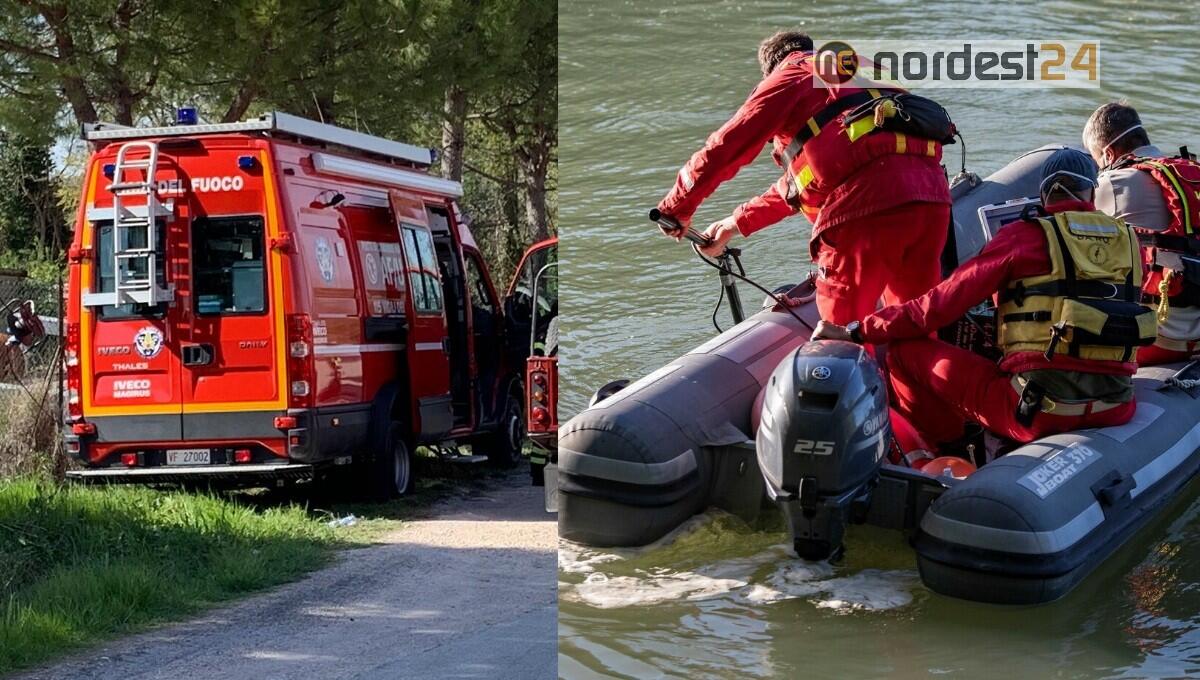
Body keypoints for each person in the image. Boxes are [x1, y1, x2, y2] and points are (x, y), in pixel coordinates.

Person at [812, 149, 1154, 447]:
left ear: (1044, 195)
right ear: (1092, 193)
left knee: (904, 352)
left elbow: (937, 307)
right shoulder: (1131, 243)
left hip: (1037, 413)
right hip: (1117, 406)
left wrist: (856, 330)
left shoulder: (1024, 236)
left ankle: (945, 448)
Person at [653, 30, 951, 325]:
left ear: (770, 70)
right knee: (912, 328)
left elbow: (726, 146)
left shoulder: (790, 73)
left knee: (839, 334)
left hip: (866, 208)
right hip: (931, 201)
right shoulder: (863, 72)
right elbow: (809, 177)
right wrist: (735, 223)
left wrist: (676, 207)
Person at [1084, 101, 1200, 364]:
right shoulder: (1191, 177)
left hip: (1160, 341)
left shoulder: (1111, 183)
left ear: (1109, 154)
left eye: (1096, 161)